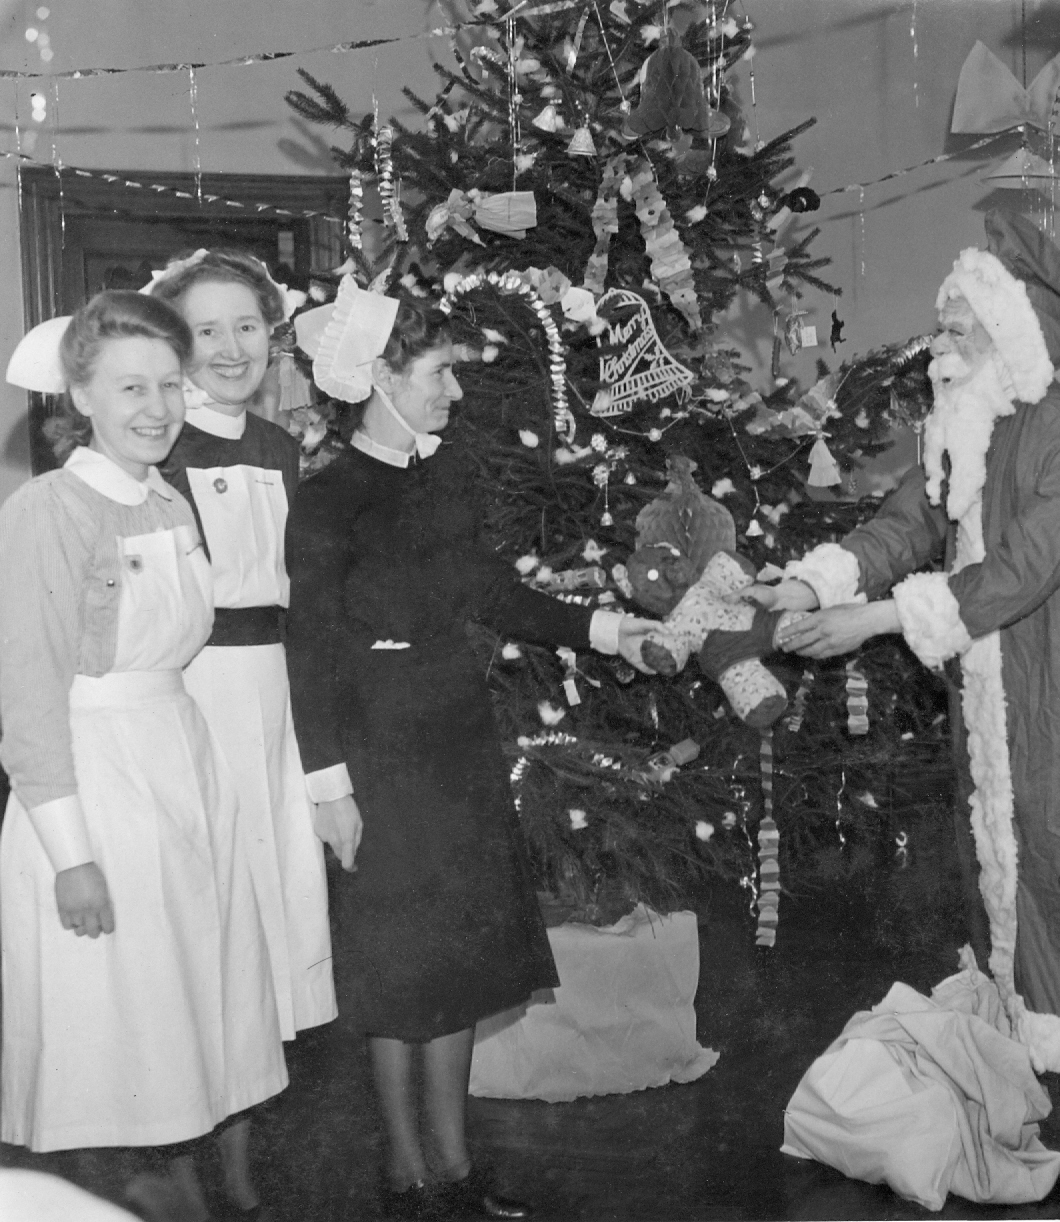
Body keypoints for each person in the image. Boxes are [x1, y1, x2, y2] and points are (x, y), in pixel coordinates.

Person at [753, 210, 1060, 1165]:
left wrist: (871, 620)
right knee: (1007, 888)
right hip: (994, 706)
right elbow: (903, 525)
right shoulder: (967, 425)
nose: (938, 347)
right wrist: (812, 581)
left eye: (956, 328)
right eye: (942, 327)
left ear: (1009, 333)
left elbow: (1015, 574)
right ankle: (1026, 1097)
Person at [284, 279, 654, 1219]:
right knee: (396, 962)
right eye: (440, 371)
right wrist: (329, 787)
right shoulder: (329, 500)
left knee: (452, 963)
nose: (454, 391)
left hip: (453, 736)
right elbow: (311, 650)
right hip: (377, 750)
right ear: (381, 376)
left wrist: (609, 632)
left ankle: (452, 1164)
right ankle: (405, 1172)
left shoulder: (444, 474)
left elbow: (492, 589)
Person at [0, 294, 286, 1178]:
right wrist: (71, 855)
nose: (157, 408)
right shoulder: (48, 511)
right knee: (119, 1042)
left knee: (192, 1020)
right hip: (99, 791)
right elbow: (27, 696)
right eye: (131, 388)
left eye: (170, 384)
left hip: (181, 771)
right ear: (80, 396)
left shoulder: (165, 497)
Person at [147, 248, 333, 1213]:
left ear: (275, 337)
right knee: (202, 922)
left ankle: (243, 1168)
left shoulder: (280, 446)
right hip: (192, 695)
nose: (230, 348)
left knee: (261, 926)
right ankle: (182, 1163)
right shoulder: (157, 442)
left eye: (247, 328)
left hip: (273, 699)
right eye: (206, 330)